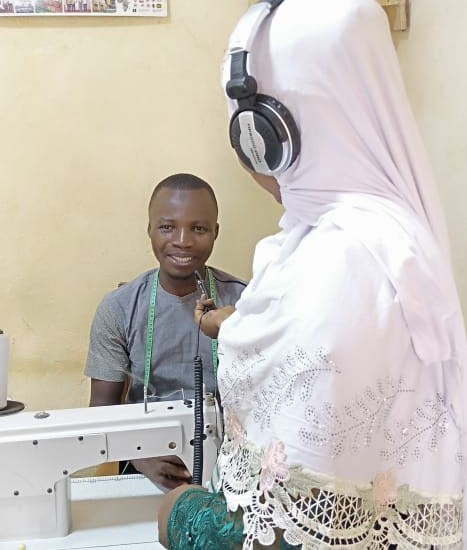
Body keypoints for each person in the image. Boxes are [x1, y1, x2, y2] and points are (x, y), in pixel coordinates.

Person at [158, 1, 466, 549]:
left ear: (272, 133)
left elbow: (284, 532)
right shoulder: (385, 240)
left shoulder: (341, 267)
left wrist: (180, 518)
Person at [84, 173, 245, 490]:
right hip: (144, 460)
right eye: (167, 227)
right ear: (150, 230)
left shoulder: (244, 303)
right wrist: (141, 457)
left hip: (230, 465)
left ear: (215, 232)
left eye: (198, 228)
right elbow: (101, 412)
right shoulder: (120, 308)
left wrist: (239, 329)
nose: (183, 240)